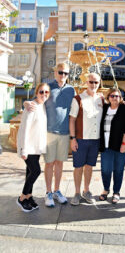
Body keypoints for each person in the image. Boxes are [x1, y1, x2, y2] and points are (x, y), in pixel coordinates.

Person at [24, 63, 75, 207]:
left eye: (66, 73)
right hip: (49, 133)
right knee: (49, 163)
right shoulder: (48, 87)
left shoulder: (71, 89)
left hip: (64, 133)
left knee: (59, 163)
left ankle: (57, 191)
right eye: (60, 72)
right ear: (55, 73)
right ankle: (48, 192)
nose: (63, 75)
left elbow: (78, 106)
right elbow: (36, 100)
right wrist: (26, 103)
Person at [69, 73, 103, 206]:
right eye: (91, 82)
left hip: (95, 140)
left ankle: (86, 191)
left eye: (96, 82)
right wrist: (72, 139)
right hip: (80, 139)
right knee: (78, 167)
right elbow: (71, 120)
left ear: (99, 83)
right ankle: (77, 193)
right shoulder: (78, 99)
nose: (93, 85)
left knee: (89, 167)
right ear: (86, 82)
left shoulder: (101, 99)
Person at [17, 83, 50, 212]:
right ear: (36, 92)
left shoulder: (43, 106)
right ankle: (21, 197)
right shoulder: (32, 107)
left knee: (29, 172)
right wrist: (24, 149)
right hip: (28, 146)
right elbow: (24, 129)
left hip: (36, 147)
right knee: (36, 171)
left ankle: (29, 197)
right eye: (41, 92)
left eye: (46, 92)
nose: (44, 94)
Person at [99, 88, 125, 204]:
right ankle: (106, 189)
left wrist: (124, 144)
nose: (115, 98)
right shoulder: (104, 109)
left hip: (121, 145)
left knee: (118, 170)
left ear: (120, 98)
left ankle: (116, 192)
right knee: (105, 169)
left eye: (117, 96)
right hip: (106, 145)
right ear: (108, 97)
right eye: (112, 96)